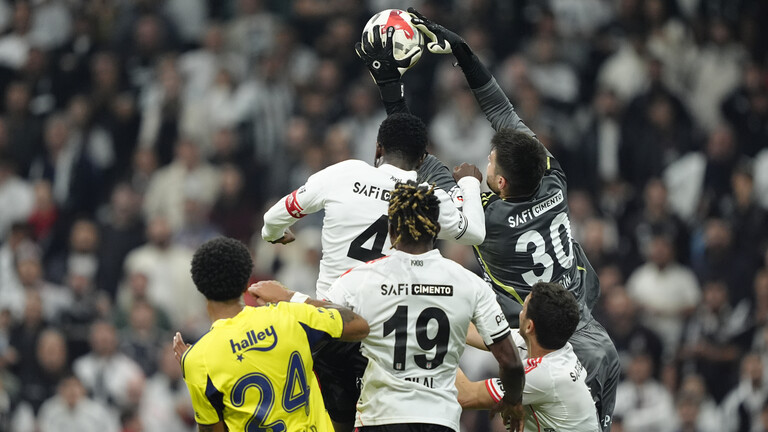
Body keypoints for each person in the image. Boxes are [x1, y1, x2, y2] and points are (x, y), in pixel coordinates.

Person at [355, 12, 620, 431]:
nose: (485, 158)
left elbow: (415, 160)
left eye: (490, 159)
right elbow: (501, 109)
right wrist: (462, 49)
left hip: (550, 347)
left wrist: (390, 87)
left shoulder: (488, 220)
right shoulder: (551, 178)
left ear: (498, 180)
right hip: (589, 335)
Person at [252, 181, 525, 432]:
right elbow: (510, 362)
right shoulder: (470, 283)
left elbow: (325, 322)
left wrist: (291, 298)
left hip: (380, 419)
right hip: (440, 420)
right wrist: (512, 400)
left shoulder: (359, 280)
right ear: (437, 229)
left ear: (392, 231)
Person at [261, 111, 486, 302]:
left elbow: (272, 218)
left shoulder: (343, 172)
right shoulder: (425, 197)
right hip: (383, 327)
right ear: (421, 160)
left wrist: (275, 235)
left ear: (378, 149)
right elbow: (475, 234)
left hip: (330, 319)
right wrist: (469, 183)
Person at [173, 237, 369, 432]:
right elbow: (359, 325)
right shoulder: (290, 315)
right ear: (246, 283)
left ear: (200, 287)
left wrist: (192, 369)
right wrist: (290, 297)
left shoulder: (198, 360)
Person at [457, 282, 600, 432]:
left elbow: (465, 395)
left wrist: (435, 344)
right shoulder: (549, 345)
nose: (520, 312)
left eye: (523, 308)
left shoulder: (546, 374)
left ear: (529, 326)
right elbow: (472, 332)